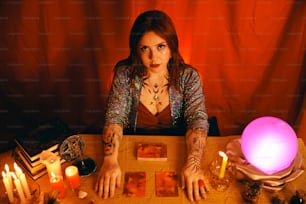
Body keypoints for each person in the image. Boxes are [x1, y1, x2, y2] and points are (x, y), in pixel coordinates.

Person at [95, 10, 209, 202]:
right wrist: (109, 160)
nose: (153, 56)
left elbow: (197, 120)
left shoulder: (188, 77)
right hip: (132, 151)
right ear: (135, 50)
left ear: (172, 46)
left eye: (160, 46)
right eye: (144, 48)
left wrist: (193, 163)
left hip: (176, 151)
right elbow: (114, 118)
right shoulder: (125, 75)